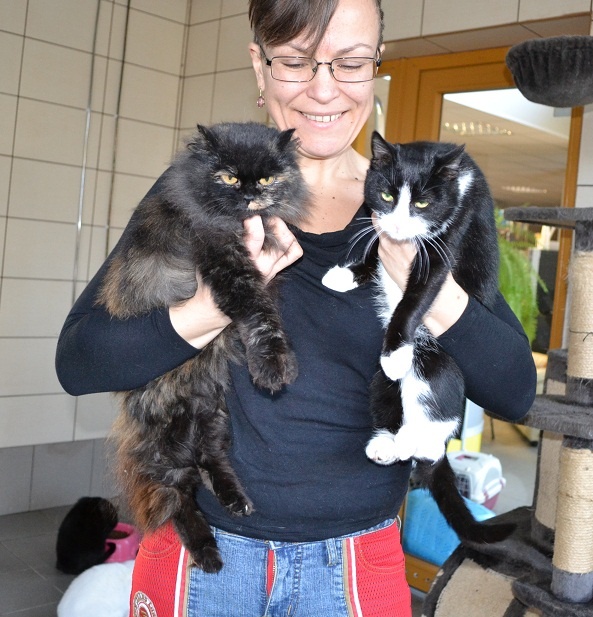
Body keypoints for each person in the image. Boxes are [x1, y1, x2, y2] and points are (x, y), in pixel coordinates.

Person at [55, 0, 537, 615]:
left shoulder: (422, 203)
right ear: (259, 66)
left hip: (354, 568)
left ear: (376, 66)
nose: (324, 89)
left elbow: (515, 390)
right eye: (295, 62)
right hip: (201, 558)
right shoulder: (205, 190)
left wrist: (429, 291)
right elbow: (81, 361)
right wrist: (218, 303)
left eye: (350, 63)